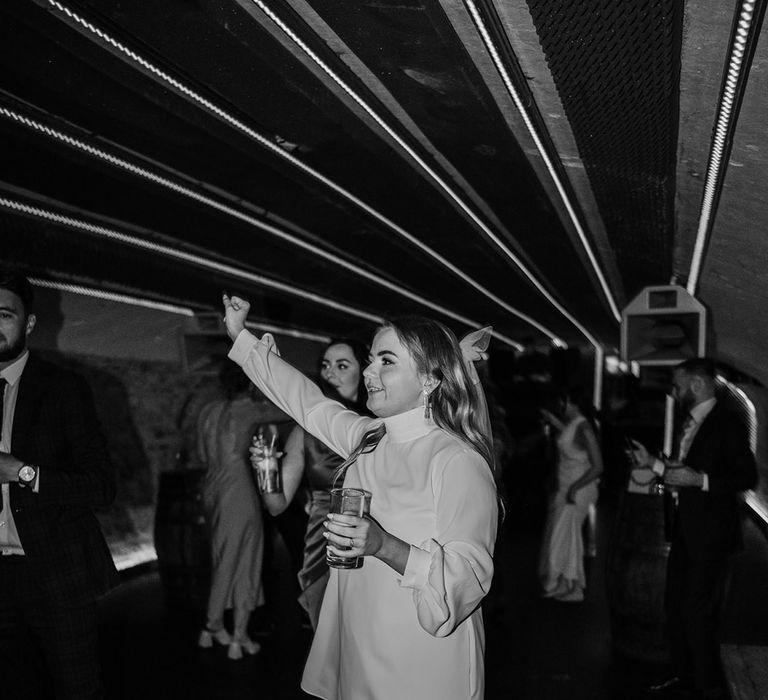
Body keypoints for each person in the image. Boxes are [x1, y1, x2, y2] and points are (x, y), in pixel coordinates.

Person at [223, 294, 497, 700]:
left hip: (419, 655)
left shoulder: (456, 460)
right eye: (371, 359)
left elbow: (468, 577)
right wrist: (240, 337)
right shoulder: (369, 436)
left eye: (386, 361)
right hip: (359, 635)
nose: (370, 371)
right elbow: (308, 404)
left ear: (429, 379)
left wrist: (383, 545)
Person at [0, 268, 118, 699]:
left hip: (55, 576)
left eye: (3, 314)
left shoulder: (63, 388)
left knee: (77, 690)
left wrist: (21, 472)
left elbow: (101, 486)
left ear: (28, 323)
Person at [630, 358, 756, 700]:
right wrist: (653, 464)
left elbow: (747, 477)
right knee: (675, 606)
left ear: (698, 384)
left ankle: (704, 685)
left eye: (679, 384)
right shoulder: (693, 421)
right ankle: (684, 676)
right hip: (686, 530)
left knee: (697, 612)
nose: (675, 390)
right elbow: (682, 472)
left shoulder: (727, 422)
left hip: (712, 535)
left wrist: (700, 480)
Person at [251, 337, 370, 630]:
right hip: (324, 548)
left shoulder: (379, 427)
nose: (330, 373)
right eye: (326, 365)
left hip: (374, 544)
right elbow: (276, 506)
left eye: (342, 365)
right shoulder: (304, 430)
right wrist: (265, 468)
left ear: (364, 374)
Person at [196, 363, 288, 660]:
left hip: (211, 488)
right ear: (249, 385)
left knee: (223, 557)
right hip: (238, 491)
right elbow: (292, 410)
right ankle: (227, 633)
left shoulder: (208, 411)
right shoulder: (251, 409)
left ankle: (218, 630)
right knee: (246, 560)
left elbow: (200, 453)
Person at [538, 387, 603, 602]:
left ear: (568, 401)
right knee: (563, 538)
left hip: (579, 489)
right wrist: (553, 421)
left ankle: (574, 587)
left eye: (561, 402)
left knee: (569, 538)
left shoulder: (584, 427)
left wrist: (575, 488)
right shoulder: (574, 425)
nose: (560, 407)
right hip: (568, 486)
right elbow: (568, 437)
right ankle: (564, 583)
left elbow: (598, 466)